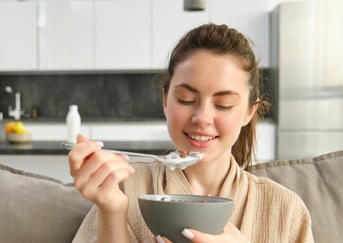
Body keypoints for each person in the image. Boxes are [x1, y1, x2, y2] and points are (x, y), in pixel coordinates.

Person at [68, 24, 314, 243]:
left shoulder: (286, 210)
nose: (202, 118)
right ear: (166, 100)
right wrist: (112, 212)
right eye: (186, 99)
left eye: (224, 104)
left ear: (249, 112)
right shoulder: (122, 188)